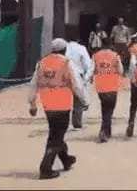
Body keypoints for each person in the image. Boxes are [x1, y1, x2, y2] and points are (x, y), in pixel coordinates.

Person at [28, 38, 88, 180]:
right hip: (62, 104)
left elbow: (33, 84)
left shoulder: (42, 63)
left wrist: (32, 103)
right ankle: (45, 168)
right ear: (65, 50)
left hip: (48, 105)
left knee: (56, 132)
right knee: (56, 136)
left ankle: (66, 159)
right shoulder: (66, 63)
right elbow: (76, 84)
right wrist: (84, 100)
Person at [92, 38, 124, 143]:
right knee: (109, 109)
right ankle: (104, 131)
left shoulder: (96, 55)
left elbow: (93, 69)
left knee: (104, 108)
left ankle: (107, 130)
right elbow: (121, 70)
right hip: (112, 86)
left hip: (100, 86)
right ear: (110, 45)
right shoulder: (115, 56)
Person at [65, 37, 94, 129]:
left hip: (64, 76)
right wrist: (87, 78)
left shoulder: (64, 48)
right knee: (78, 100)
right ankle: (77, 123)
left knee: (64, 100)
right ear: (78, 40)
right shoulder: (81, 48)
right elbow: (87, 64)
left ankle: (63, 122)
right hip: (78, 75)